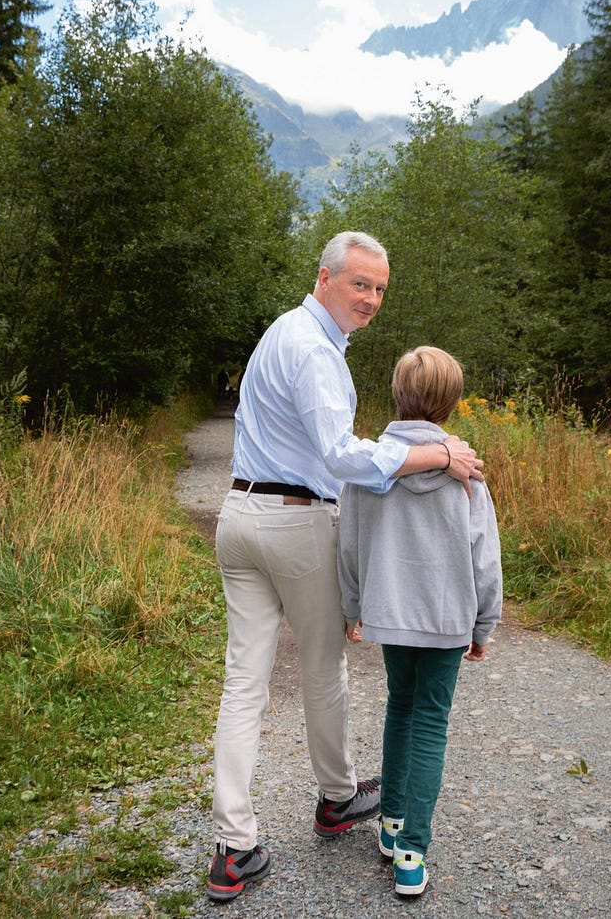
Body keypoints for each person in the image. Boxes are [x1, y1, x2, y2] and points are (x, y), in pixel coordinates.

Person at [207, 232, 484, 902]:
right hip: (295, 521)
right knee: (324, 664)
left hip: (239, 516)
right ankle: (336, 797)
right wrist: (436, 456)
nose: (371, 299)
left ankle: (232, 845)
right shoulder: (314, 349)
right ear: (325, 277)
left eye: (380, 288)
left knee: (244, 682)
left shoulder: (281, 333)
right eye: (360, 284)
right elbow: (341, 454)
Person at [338, 345, 503, 898]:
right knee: (430, 718)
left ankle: (390, 829)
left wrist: (353, 605)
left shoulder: (369, 465)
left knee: (399, 705)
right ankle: (412, 854)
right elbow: (485, 557)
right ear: (452, 402)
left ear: (397, 394)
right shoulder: (465, 473)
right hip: (446, 616)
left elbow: (350, 544)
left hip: (390, 612)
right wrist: (484, 625)